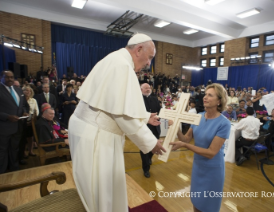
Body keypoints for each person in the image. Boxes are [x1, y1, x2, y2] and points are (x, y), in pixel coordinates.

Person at [68, 33, 166, 212]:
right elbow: (124, 116)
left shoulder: (115, 59)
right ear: (138, 50)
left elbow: (114, 105)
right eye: (149, 58)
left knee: (98, 189)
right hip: (97, 137)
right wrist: (151, 142)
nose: (148, 64)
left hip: (89, 128)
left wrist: (145, 117)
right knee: (100, 192)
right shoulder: (122, 66)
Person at [169, 83, 230, 212]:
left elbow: (211, 152)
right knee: (196, 202)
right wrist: (175, 128)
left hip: (213, 171)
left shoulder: (224, 123)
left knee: (208, 207)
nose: (205, 97)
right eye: (205, 94)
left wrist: (185, 145)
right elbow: (185, 138)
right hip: (198, 167)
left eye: (210, 95)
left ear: (219, 101)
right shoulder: (198, 116)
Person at [0, 70, 29, 174]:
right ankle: (2, 174)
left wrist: (24, 112)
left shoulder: (18, 90)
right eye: (7, 77)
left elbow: (24, 105)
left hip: (18, 126)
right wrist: (7, 116)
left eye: (12, 77)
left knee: (15, 149)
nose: (10, 79)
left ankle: (14, 170)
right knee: (2, 151)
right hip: (4, 127)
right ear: (1, 77)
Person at [139, 83, 161, 178]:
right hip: (144, 127)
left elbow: (160, 111)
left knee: (153, 146)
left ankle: (149, 158)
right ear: (141, 90)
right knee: (144, 148)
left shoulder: (155, 99)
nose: (148, 89)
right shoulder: (138, 100)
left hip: (155, 127)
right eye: (145, 88)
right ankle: (146, 168)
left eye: (149, 88)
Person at [22, 85, 39, 156]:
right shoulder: (20, 100)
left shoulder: (33, 100)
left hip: (31, 121)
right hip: (22, 122)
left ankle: (30, 151)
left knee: (30, 137)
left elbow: (37, 111)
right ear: (23, 91)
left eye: (29, 91)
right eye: (26, 90)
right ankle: (23, 152)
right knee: (23, 138)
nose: (28, 92)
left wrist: (33, 119)